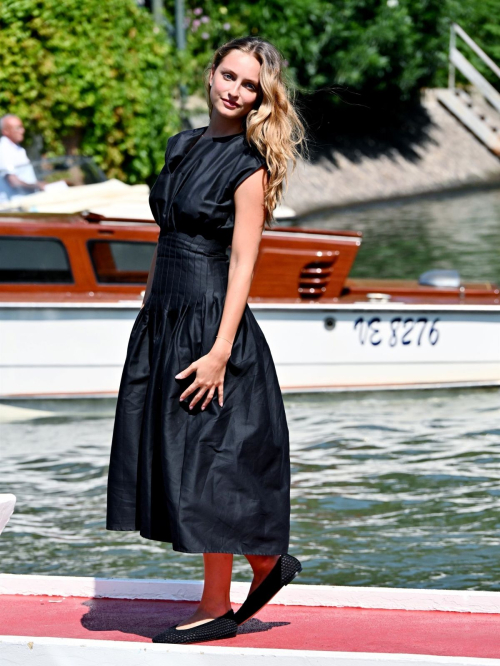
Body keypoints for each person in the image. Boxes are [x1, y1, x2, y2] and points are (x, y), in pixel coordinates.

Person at [106, 35, 307, 645]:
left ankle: (220, 599)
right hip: (165, 316)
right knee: (181, 458)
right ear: (211, 73)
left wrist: (220, 351)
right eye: (228, 75)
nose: (234, 90)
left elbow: (244, 261)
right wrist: (149, 306)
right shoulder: (182, 145)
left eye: (248, 85)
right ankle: (266, 566)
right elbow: (168, 234)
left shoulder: (248, 164)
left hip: (210, 323)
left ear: (258, 97)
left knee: (209, 464)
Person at [0, 114, 45, 202]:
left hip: (26, 202)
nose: (22, 130)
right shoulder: (3, 150)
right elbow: (13, 181)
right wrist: (38, 186)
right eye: (18, 128)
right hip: (14, 207)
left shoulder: (16, 148)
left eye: (22, 127)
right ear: (5, 131)